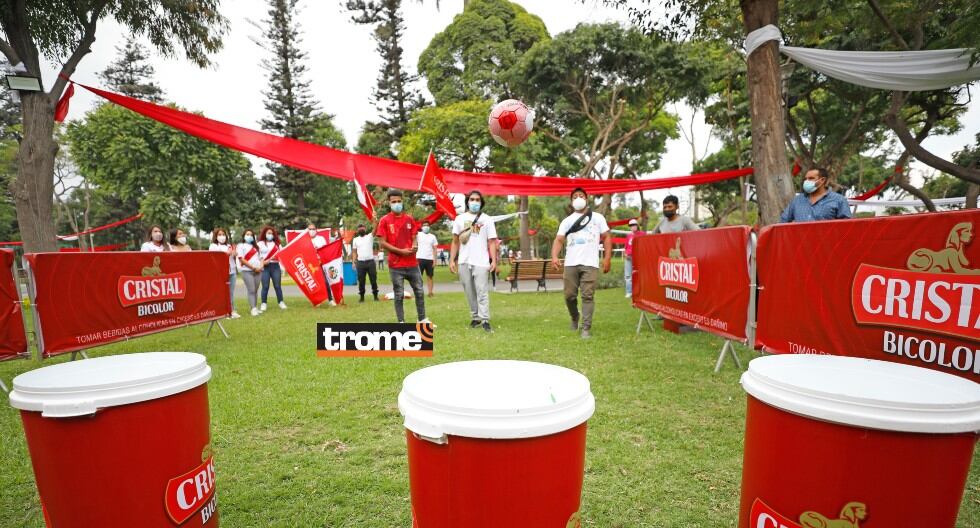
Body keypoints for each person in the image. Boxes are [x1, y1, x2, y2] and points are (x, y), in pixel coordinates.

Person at [551, 187, 611, 339]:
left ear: (586, 198)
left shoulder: (598, 218)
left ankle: (586, 328)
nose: (578, 198)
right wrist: (554, 256)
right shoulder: (567, 221)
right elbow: (559, 240)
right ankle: (574, 317)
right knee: (569, 295)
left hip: (590, 263)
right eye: (575, 196)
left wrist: (607, 258)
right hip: (571, 263)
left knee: (587, 296)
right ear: (571, 201)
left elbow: (607, 237)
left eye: (581, 195)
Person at [375, 189, 430, 324]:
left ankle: (422, 319)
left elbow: (414, 236)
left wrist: (415, 245)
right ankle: (401, 322)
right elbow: (382, 242)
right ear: (389, 203)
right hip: (396, 265)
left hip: (412, 264)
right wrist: (401, 251)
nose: (397, 204)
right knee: (398, 295)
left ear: (402, 201)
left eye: (399, 201)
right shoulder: (384, 220)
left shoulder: (409, 219)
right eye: (394, 202)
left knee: (419, 291)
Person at [451, 190, 498, 333]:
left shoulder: (487, 219)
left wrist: (493, 261)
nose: (475, 202)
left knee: (482, 291)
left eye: (477, 200)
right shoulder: (459, 219)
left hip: (481, 261)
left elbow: (492, 242)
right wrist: (452, 260)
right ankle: (475, 317)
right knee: (469, 291)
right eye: (472, 199)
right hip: (464, 261)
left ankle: (485, 319)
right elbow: (455, 242)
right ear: (467, 202)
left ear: (481, 202)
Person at [780, 167, 852, 223]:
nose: (806, 181)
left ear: (822, 180)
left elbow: (847, 226)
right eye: (806, 179)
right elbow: (783, 221)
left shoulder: (838, 200)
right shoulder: (797, 200)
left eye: (811, 178)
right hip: (801, 241)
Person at [210, 227, 240, 319]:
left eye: (223, 234)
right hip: (221, 272)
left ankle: (231, 310)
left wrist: (234, 253)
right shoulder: (213, 246)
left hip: (232, 271)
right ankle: (223, 311)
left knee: (230, 292)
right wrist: (227, 253)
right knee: (222, 292)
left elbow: (233, 255)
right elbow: (214, 257)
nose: (222, 236)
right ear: (216, 236)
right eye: (219, 235)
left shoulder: (229, 245)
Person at [306, 222, 336, 306]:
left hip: (321, 264)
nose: (311, 230)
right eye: (310, 229)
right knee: (314, 284)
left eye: (313, 229)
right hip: (311, 265)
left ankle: (330, 299)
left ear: (316, 230)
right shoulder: (305, 240)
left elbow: (325, 250)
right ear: (307, 230)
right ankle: (317, 301)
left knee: (325, 282)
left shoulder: (321, 238)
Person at [258, 225, 286, 311]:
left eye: (272, 233)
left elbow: (282, 255)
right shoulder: (260, 244)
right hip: (265, 267)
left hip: (275, 267)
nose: (270, 235)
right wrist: (262, 262)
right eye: (268, 233)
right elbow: (257, 255)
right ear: (264, 234)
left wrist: (277, 258)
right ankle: (264, 303)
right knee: (265, 286)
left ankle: (281, 302)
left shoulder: (277, 244)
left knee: (277, 286)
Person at [236, 229, 263, 316]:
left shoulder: (257, 247)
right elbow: (241, 259)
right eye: (247, 234)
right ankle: (253, 308)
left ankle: (255, 306)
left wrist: (261, 267)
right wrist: (253, 268)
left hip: (258, 271)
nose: (249, 236)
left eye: (251, 235)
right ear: (244, 236)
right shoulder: (241, 246)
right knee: (251, 290)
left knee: (255, 290)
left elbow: (261, 258)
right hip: (247, 271)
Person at [351, 223, 379, 302]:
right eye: (359, 228)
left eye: (362, 228)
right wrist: (353, 262)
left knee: (373, 280)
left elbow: (375, 228)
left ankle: (375, 296)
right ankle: (362, 297)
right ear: (357, 230)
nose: (361, 229)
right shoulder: (355, 239)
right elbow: (354, 252)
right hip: (360, 263)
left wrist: (375, 221)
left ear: (365, 229)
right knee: (361, 281)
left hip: (370, 262)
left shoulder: (370, 236)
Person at [416, 220, 439, 297]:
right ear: (422, 227)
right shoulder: (418, 235)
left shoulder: (433, 236)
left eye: (427, 225)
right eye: (424, 225)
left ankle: (430, 292)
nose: (426, 227)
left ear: (429, 227)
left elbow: (435, 249)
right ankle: (419, 292)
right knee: (419, 277)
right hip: (419, 258)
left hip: (430, 259)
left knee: (430, 276)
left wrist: (435, 260)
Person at [624, 218, 642, 298]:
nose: (632, 227)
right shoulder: (628, 235)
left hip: (638, 257)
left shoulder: (642, 234)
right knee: (628, 275)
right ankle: (629, 292)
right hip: (629, 257)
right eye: (631, 225)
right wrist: (625, 254)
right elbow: (626, 247)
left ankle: (639, 291)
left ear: (637, 225)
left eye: (634, 225)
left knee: (638, 274)